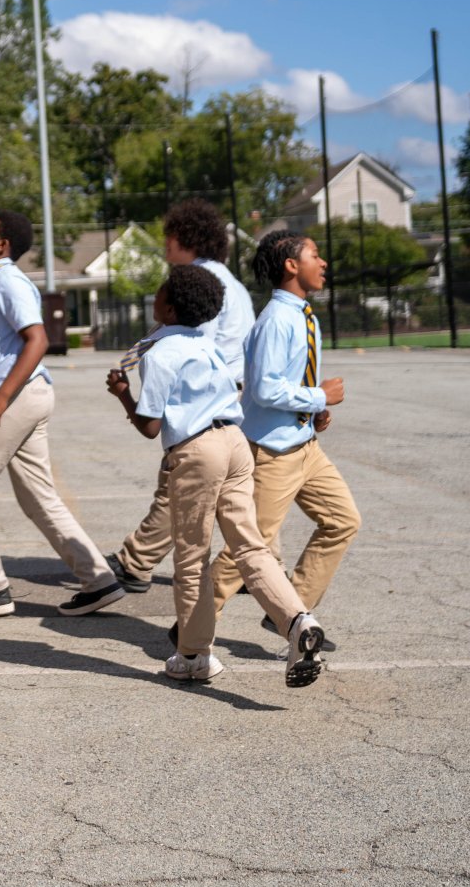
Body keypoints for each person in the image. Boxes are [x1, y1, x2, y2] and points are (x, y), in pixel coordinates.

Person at [108, 262, 326, 687]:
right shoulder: (204, 343)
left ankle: (193, 655)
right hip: (235, 444)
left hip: (197, 451)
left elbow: (150, 426)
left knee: (192, 557)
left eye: (161, 291)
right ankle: (299, 620)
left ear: (169, 307)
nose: (156, 295)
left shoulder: (160, 352)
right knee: (251, 547)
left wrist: (123, 395)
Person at [0, 211, 124, 620]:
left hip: (16, 397)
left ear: (1, 245)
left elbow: (37, 340)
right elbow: (2, 343)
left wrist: (2, 398)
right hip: (24, 394)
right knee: (38, 497)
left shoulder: (7, 280)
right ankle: (99, 581)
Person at [199, 229, 362, 641]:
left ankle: (288, 612)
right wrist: (319, 395)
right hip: (272, 453)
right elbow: (266, 388)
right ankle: (192, 624)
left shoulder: (304, 316)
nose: (323, 263)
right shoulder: (276, 320)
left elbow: (288, 383)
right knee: (250, 546)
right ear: (291, 265)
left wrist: (313, 410)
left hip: (305, 447)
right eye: (314, 255)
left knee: (342, 521)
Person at [108, 198, 256, 596]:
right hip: (230, 398)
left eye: (169, 236)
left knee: (179, 483)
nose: (165, 244)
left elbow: (190, 347)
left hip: (204, 401)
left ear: (186, 237)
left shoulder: (197, 283)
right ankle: (251, 566)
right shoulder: (230, 281)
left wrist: (135, 391)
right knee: (228, 494)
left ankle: (134, 563)